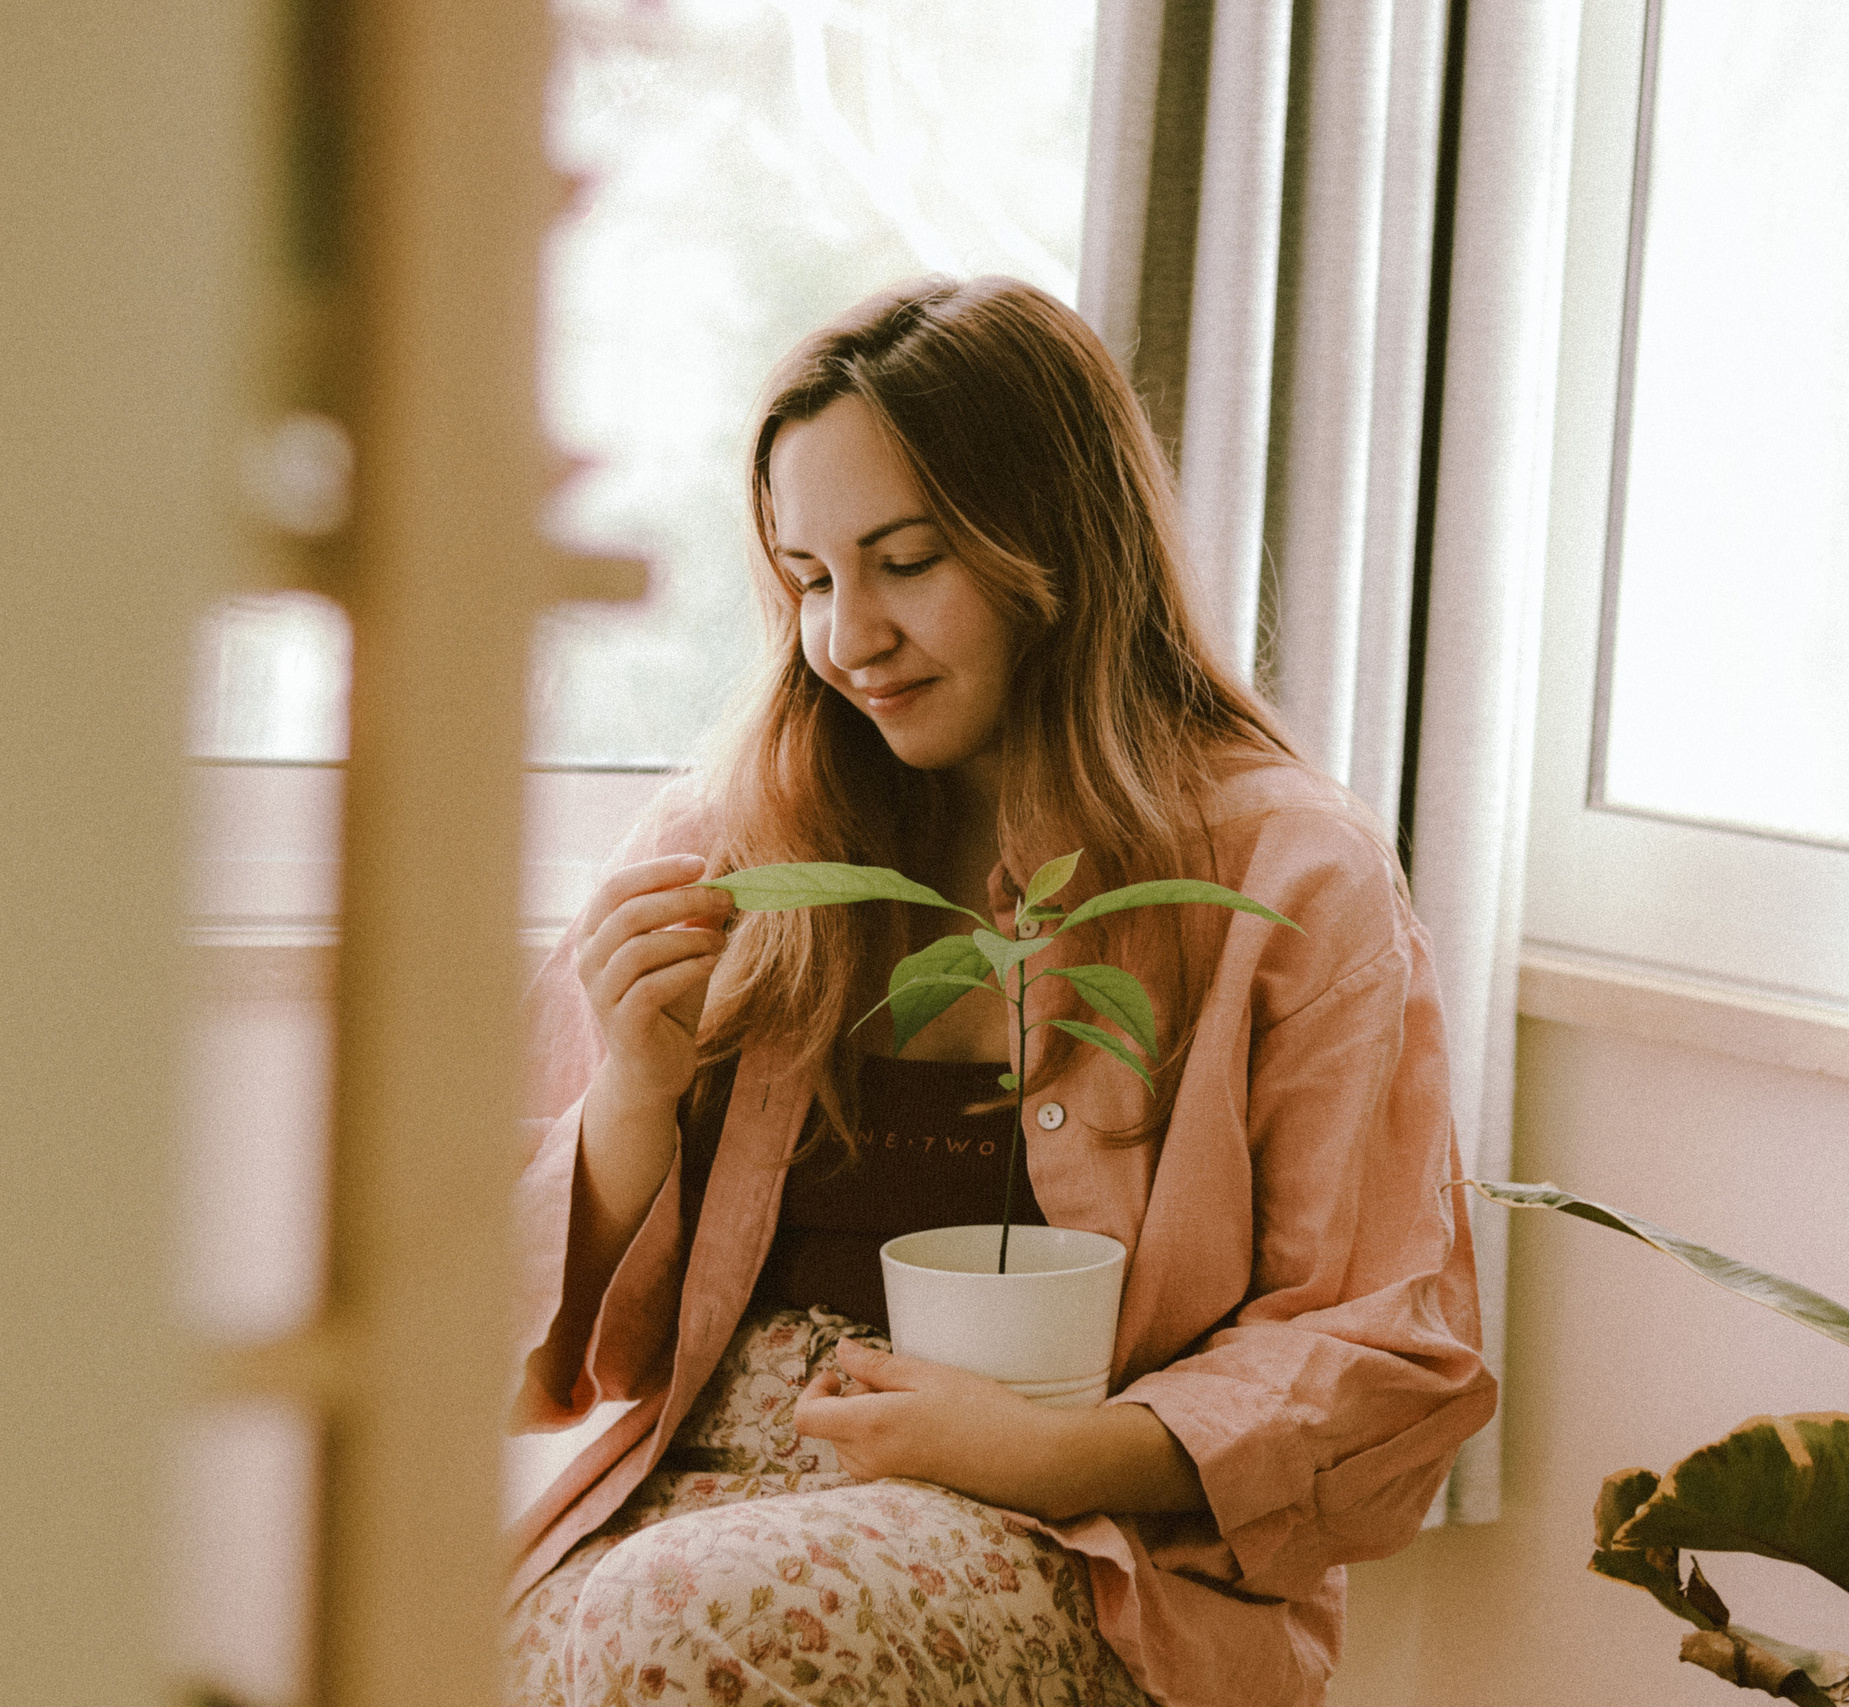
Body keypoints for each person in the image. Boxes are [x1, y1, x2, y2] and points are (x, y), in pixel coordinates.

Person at [502, 275, 1494, 1707]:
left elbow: (1386, 1347)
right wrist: (634, 1095)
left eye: (906, 561)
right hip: (697, 1491)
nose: (850, 639)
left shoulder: (1288, 870)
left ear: (1058, 545)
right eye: (811, 578)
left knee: (675, 1625)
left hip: (1083, 1545)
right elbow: (511, 1327)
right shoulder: (738, 841)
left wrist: (1046, 1450)